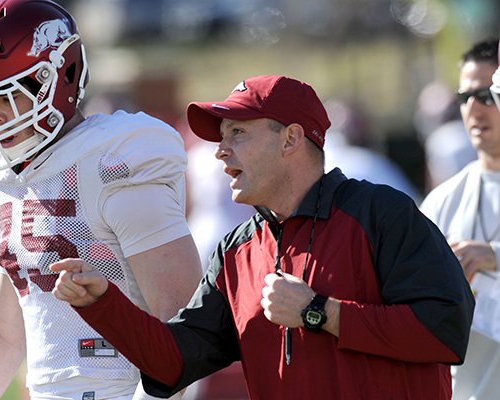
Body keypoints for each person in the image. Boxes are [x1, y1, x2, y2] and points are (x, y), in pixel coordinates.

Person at [52, 75, 475, 399]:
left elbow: (446, 328)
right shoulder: (235, 251)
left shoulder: (381, 212)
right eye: (221, 137)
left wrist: (318, 312)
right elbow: (174, 363)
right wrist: (103, 303)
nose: (220, 150)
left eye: (238, 133)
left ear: (291, 138)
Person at [0, 1, 202, 399]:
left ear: (62, 76)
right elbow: (2, 334)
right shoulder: (12, 181)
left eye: (7, 97)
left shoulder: (114, 162)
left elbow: (181, 322)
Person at [421, 38, 500, 399]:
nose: (474, 110)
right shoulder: (443, 200)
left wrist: (493, 256)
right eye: (465, 98)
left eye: (486, 96)